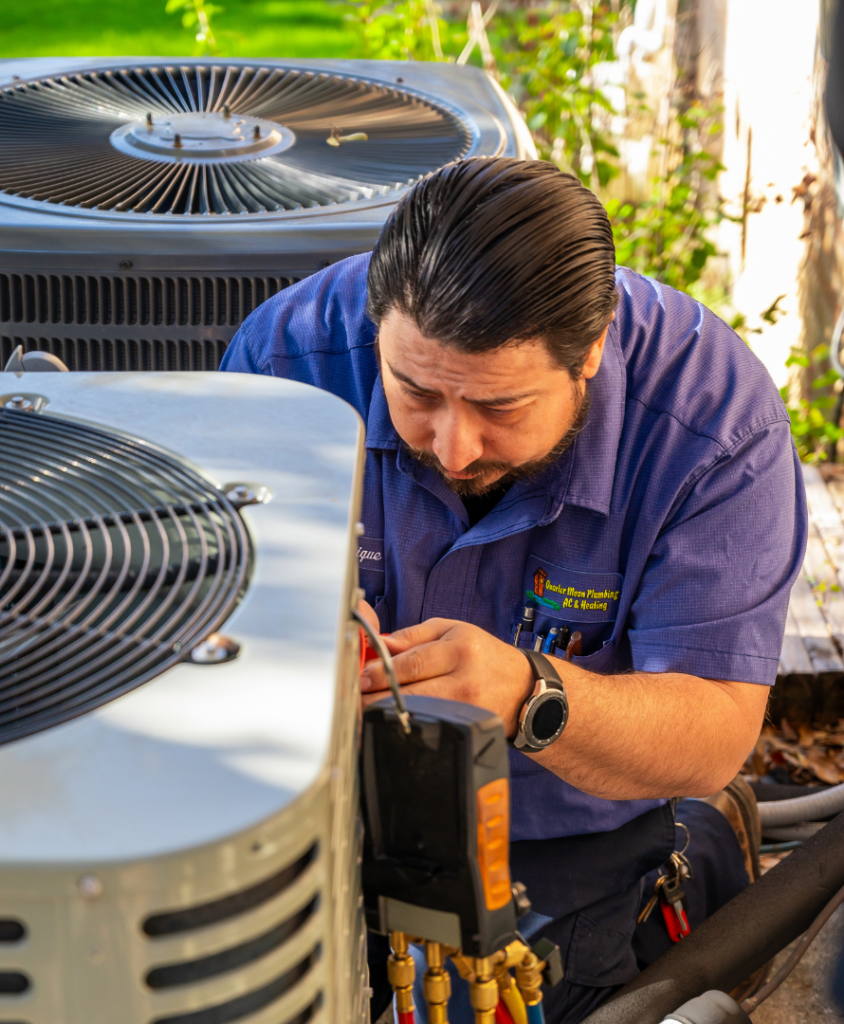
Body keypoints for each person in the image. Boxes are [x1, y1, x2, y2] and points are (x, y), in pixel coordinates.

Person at [220, 157, 805, 1023]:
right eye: (414, 390)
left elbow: (713, 732)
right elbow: (200, 624)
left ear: (594, 347)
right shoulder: (283, 361)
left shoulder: (713, 427)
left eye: (499, 405)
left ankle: (702, 849)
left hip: (571, 842)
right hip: (327, 814)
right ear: (377, 321)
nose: (452, 447)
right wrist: (284, 641)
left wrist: (534, 700)